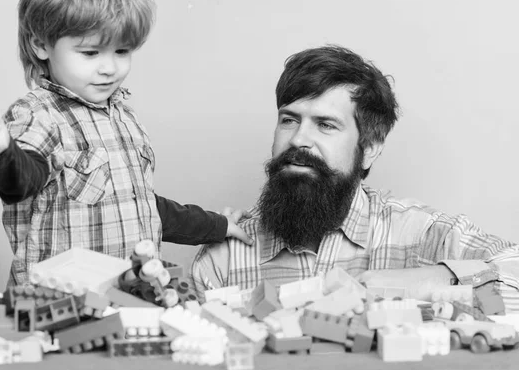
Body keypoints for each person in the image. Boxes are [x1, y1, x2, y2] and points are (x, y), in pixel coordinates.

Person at [0, 0, 252, 287]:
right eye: (90, 53)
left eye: (122, 51)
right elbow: (23, 178)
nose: (109, 68)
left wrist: (216, 226)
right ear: (40, 45)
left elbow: (141, 207)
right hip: (63, 307)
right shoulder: (39, 115)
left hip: (130, 299)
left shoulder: (124, 118)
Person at [191, 45, 519, 311]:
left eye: (326, 124)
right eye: (289, 120)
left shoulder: (419, 235)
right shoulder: (224, 259)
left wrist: (434, 279)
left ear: (370, 149)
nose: (298, 140)